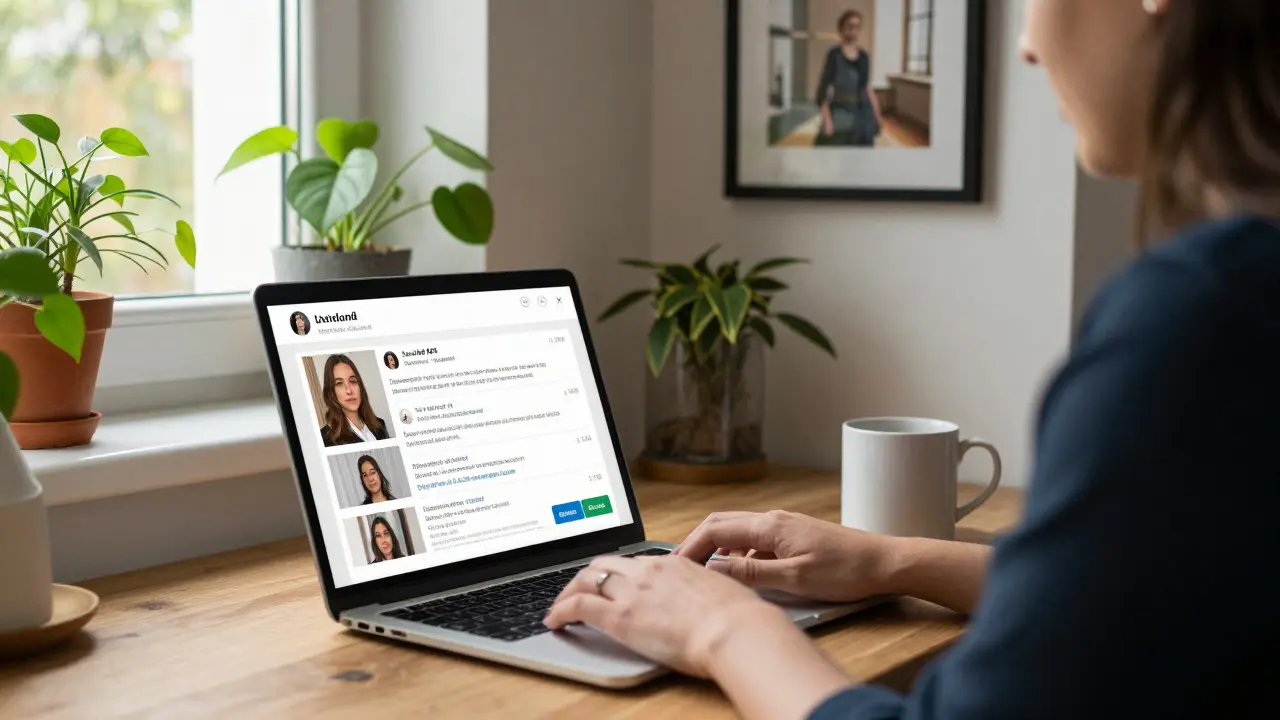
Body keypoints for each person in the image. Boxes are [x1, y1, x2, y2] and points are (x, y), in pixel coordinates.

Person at [545, 2, 1280, 718]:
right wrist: (892, 561)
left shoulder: (1203, 322)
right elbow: (1166, 590)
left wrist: (722, 627)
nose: (1027, 44)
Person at [814, 10, 884, 147]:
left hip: (863, 113)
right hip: (841, 111)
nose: (853, 31)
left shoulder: (864, 57)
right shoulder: (834, 55)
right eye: (849, 26)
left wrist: (877, 115)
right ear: (841, 29)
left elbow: (867, 87)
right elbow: (822, 91)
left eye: (857, 27)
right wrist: (827, 120)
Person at [318, 354, 389, 447]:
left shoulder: (380, 424)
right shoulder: (324, 439)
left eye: (353, 381)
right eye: (339, 383)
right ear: (331, 392)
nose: (349, 390)